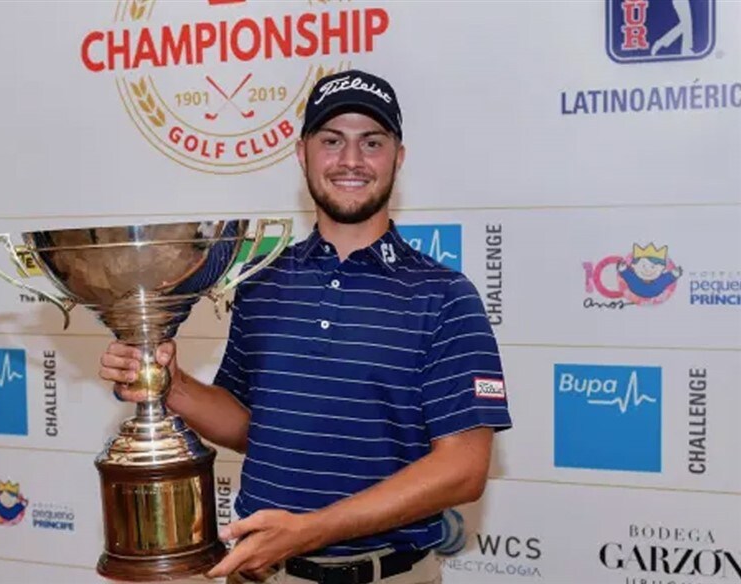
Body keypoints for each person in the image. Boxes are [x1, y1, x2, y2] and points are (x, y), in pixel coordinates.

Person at [99, 69, 513, 584]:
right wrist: (170, 382)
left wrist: (310, 530)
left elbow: (464, 469)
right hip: (262, 572)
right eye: (332, 141)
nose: (351, 161)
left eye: (372, 142)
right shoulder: (261, 282)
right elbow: (252, 426)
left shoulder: (445, 296)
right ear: (303, 154)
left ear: (398, 158)